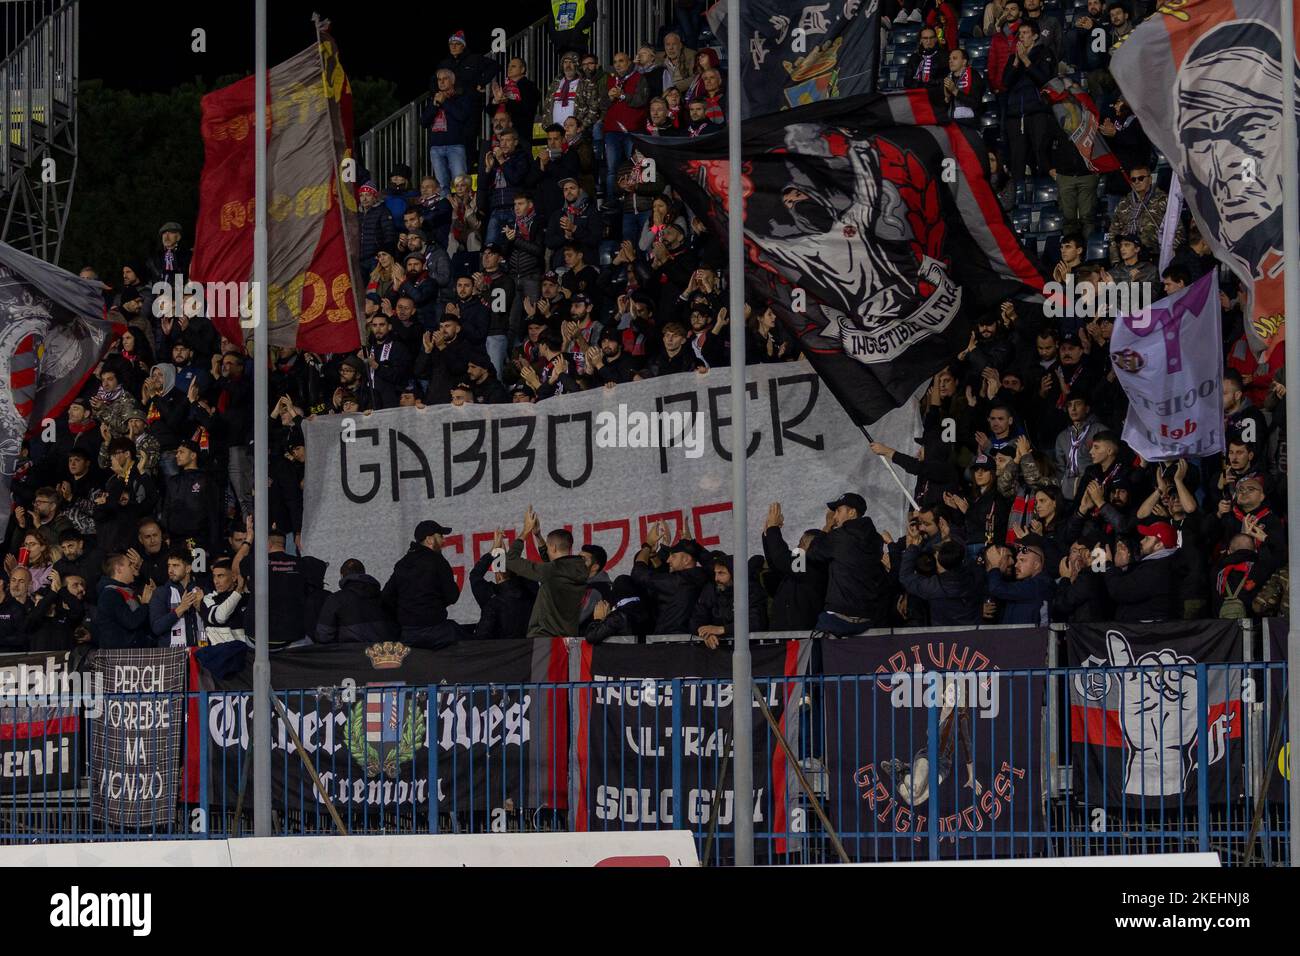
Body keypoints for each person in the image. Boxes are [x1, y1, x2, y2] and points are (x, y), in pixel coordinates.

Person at [805, 492, 888, 635]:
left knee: (815, 653)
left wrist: (827, 527)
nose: (835, 516)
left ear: (852, 512)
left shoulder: (839, 537)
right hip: (868, 619)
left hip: (838, 617)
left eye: (838, 511)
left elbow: (812, 553)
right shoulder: (876, 540)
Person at [502, 507, 589, 639]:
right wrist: (538, 536)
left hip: (544, 639)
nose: (547, 550)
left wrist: (525, 531)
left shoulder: (551, 571)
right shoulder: (580, 569)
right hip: (569, 639)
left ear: (553, 547)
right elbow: (556, 565)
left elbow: (510, 560)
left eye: (548, 547)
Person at [380, 519, 465, 647]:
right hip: (437, 631)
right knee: (472, 643)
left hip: (408, 634)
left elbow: (386, 596)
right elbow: (452, 596)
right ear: (429, 539)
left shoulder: (402, 564)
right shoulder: (438, 562)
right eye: (440, 536)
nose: (443, 541)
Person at [631, 520, 711, 633]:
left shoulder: (680, 581)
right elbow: (661, 575)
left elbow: (639, 574)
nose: (668, 560)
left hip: (670, 644)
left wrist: (647, 545)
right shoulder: (704, 576)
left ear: (686, 560)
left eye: (673, 556)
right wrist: (692, 545)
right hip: (688, 641)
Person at [898, 536, 985, 625]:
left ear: (939, 565)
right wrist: (951, 544)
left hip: (943, 635)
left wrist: (912, 548)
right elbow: (967, 560)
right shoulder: (975, 576)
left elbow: (905, 577)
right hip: (973, 634)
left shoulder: (934, 587)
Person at [1104, 522, 1180, 621]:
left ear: (1159, 545)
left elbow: (1120, 591)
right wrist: (1123, 567)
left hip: (1146, 632)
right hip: (1143, 631)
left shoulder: (1157, 569)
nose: (1142, 541)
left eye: (1147, 538)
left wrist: (1108, 566)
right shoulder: (1158, 564)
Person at [315, 559, 395, 644]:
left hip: (350, 654)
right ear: (363, 573)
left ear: (342, 576)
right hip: (380, 653)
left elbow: (323, 635)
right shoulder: (382, 596)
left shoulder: (335, 599)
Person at [423, 69, 476, 191]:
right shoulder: (434, 99)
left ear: (452, 81)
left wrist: (445, 102)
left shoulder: (461, 98)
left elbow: (462, 116)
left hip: (455, 146)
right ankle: (446, 209)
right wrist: (435, 105)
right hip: (436, 148)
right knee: (442, 187)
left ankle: (465, 209)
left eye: (445, 79)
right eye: (439, 79)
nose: (441, 82)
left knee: (461, 184)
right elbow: (424, 122)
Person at [149, 544, 207, 648]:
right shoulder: (161, 592)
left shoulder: (199, 591)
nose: (170, 570)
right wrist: (180, 609)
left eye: (175, 565)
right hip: (172, 657)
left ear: (188, 568)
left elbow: (207, 624)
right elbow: (157, 628)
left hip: (200, 651)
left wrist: (200, 608)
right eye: (169, 565)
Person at [94, 552, 156, 649]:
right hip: (120, 657)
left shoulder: (124, 591)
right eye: (129, 565)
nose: (133, 568)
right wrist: (145, 605)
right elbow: (131, 622)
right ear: (118, 569)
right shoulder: (110, 594)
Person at [984, 537, 1053, 624]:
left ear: (1036, 565)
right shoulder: (1020, 586)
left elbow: (997, 588)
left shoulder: (1040, 584)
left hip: (1032, 637)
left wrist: (995, 566)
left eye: (1022, 560)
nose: (1015, 565)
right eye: (1017, 560)